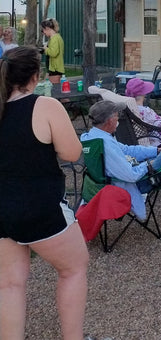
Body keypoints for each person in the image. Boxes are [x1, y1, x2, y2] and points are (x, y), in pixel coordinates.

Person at [0, 46, 89, 340]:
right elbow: (73, 152)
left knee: (10, 284)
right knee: (74, 268)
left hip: (3, 208)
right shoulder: (45, 106)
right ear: (35, 75)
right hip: (41, 207)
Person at [80, 100, 161, 226]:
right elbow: (131, 175)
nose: (118, 117)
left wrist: (156, 151)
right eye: (117, 115)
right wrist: (150, 164)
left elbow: (128, 150)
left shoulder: (94, 137)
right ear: (110, 121)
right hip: (141, 181)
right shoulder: (106, 145)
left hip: (128, 177)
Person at [88, 77, 161, 144]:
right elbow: (156, 125)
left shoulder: (133, 109)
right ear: (143, 93)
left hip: (156, 134)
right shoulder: (144, 111)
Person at [40, 18, 65, 84]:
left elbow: (54, 53)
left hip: (55, 68)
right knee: (46, 85)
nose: (43, 32)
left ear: (47, 28)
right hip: (52, 67)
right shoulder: (54, 38)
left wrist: (46, 49)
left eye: (43, 30)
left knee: (53, 90)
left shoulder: (55, 38)